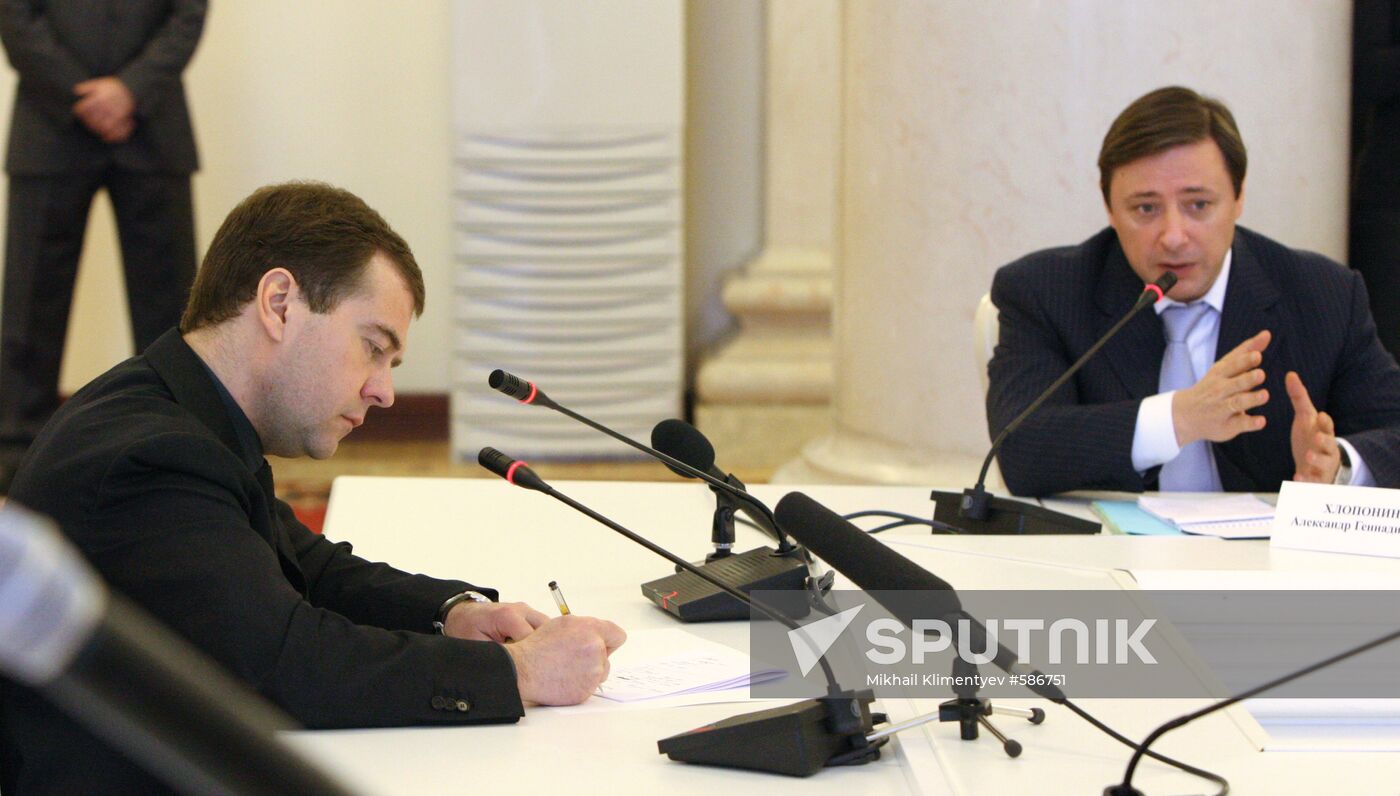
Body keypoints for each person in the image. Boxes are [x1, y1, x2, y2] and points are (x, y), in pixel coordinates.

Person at [0, 182, 627, 795]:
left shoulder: (186, 409)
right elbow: (287, 666)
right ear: (279, 303)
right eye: (373, 348)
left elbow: (308, 565)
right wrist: (516, 673)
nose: (383, 390)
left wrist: (454, 614)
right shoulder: (153, 455)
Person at [986, 86, 1400, 497]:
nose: (1173, 237)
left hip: (1262, 559)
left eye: (1198, 205)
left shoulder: (1322, 295)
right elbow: (1021, 447)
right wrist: (1179, 418)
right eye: (1145, 208)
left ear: (1238, 197)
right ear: (1109, 206)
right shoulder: (1044, 292)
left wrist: (1337, 463)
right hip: (1103, 555)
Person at [0, 0, 206, 492]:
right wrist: (82, 94)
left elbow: (187, 15)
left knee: (172, 304)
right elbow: (16, 14)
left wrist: (129, 91)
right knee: (31, 301)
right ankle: (14, 451)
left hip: (153, 123)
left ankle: (177, 442)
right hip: (49, 125)